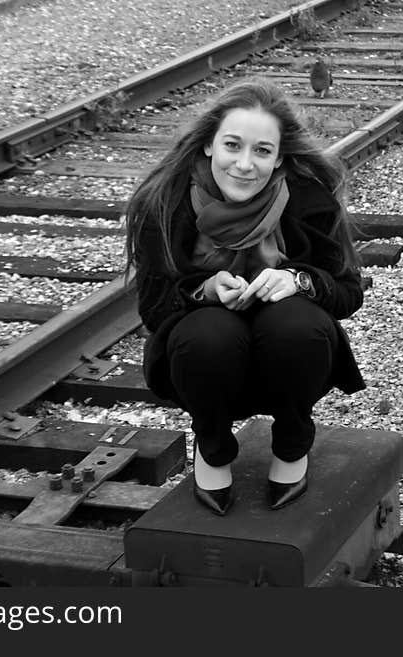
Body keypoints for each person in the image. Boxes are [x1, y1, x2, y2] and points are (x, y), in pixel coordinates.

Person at [125, 77, 365, 516]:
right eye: (233, 146)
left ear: (279, 160)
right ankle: (213, 446)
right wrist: (205, 289)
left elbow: (348, 291)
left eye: (262, 151)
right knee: (207, 333)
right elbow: (154, 308)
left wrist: (301, 281)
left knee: (298, 325)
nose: (244, 164)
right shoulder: (166, 203)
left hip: (289, 352)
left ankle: (292, 444)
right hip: (208, 357)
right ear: (208, 146)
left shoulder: (308, 199)